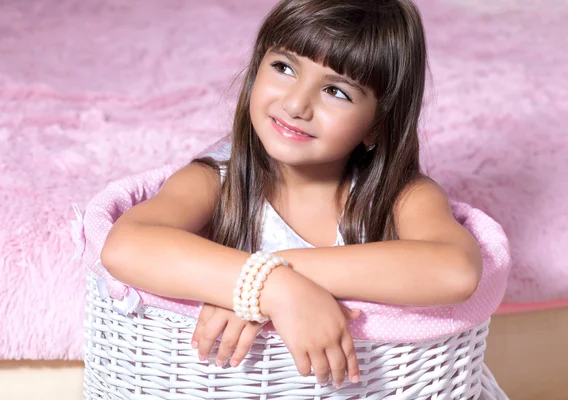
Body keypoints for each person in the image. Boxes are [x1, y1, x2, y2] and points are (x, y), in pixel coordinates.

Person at [100, 0, 483, 390]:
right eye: (284, 68)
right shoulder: (219, 179)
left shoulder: (397, 196)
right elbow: (125, 246)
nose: (296, 104)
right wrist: (273, 287)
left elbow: (456, 269)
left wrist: (269, 272)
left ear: (378, 125)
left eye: (336, 91)